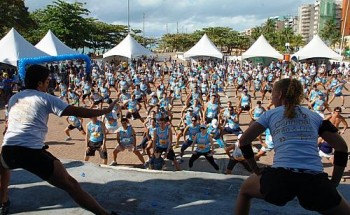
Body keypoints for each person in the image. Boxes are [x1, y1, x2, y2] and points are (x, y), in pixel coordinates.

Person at [0, 65, 118, 215]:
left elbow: (8, 125)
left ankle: (3, 202)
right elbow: (76, 111)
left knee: (4, 167)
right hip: (30, 152)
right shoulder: (45, 98)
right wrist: (105, 111)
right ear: (39, 84)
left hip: (8, 149)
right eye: (47, 81)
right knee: (71, 185)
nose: (49, 84)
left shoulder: (14, 98)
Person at [235, 78, 350, 215]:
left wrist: (256, 169)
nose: (271, 98)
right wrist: (334, 182)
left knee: (244, 191)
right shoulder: (315, 117)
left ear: (280, 95)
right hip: (314, 181)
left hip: (280, 180)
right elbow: (342, 147)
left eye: (272, 95)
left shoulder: (269, 114)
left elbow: (243, 141)